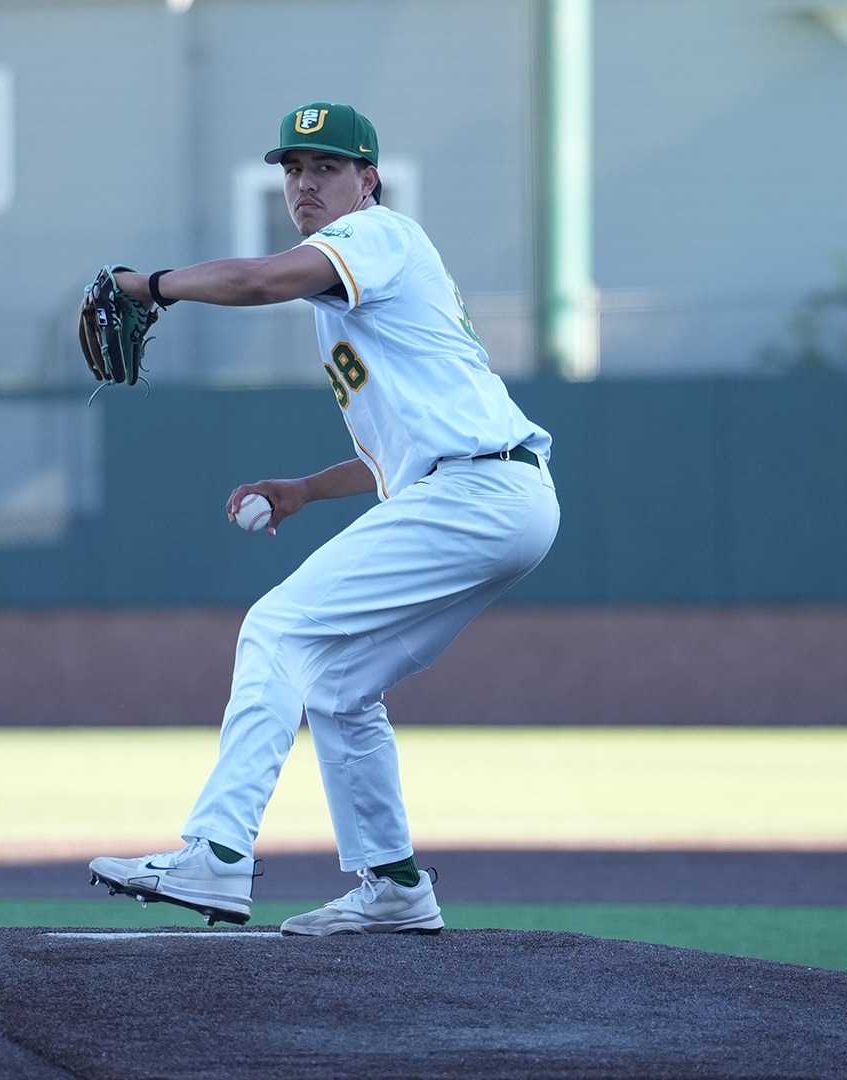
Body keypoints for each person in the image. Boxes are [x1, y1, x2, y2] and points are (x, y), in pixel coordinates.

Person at [87, 102, 559, 936]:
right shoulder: (348, 294)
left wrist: (151, 286)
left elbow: (261, 280)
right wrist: (306, 487)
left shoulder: (379, 235)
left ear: (367, 182)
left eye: (326, 168)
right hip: (490, 495)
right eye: (293, 170)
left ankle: (218, 855)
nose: (305, 183)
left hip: (477, 494)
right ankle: (394, 887)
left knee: (278, 628)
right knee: (341, 687)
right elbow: (402, 452)